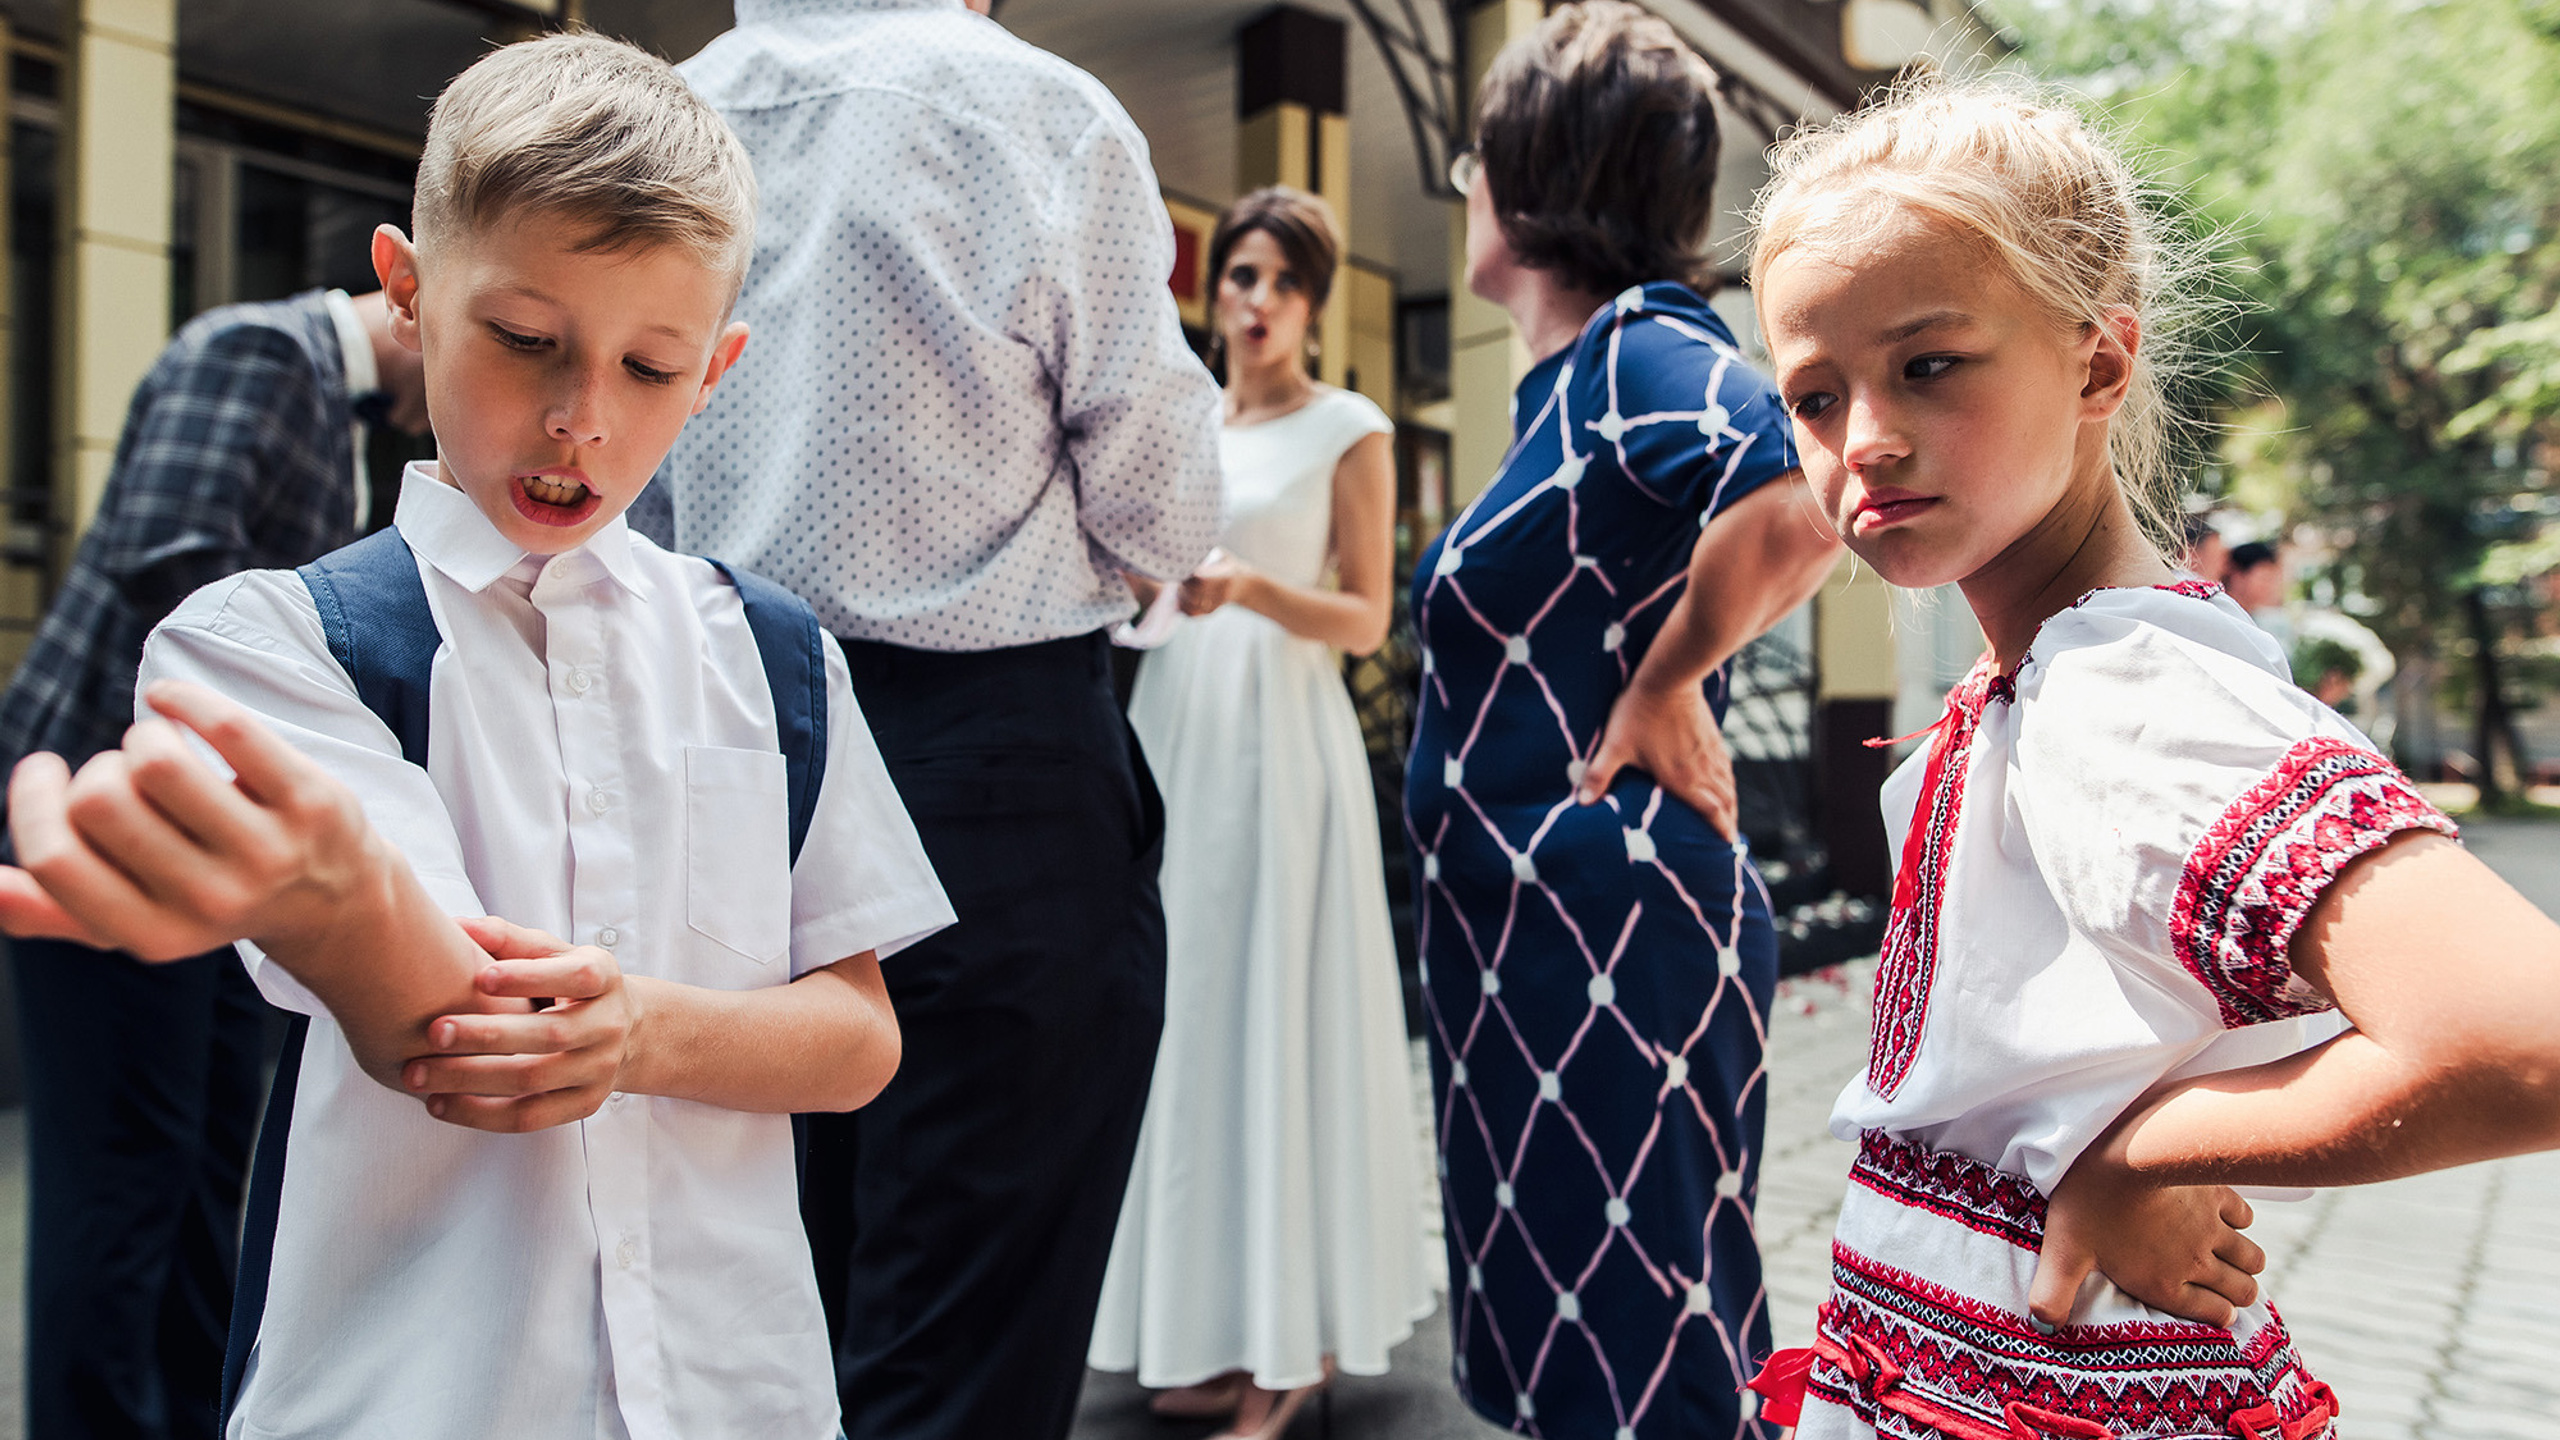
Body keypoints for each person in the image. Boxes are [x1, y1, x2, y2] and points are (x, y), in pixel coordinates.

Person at [0, 33, 951, 1440]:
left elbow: (858, 1033)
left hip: (740, 1394)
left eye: (651, 368)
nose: (582, 418)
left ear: (720, 368)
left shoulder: (778, 653)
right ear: (406, 290)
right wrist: (342, 894)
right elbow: (430, 1030)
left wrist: (639, 1030)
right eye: (526, 341)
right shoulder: (268, 642)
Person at [1739, 78, 2560, 1439]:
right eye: (1815, 396)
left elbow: (2521, 1036)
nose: (1863, 440)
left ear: (2099, 364)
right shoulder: (2052, 676)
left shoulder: (2122, 695)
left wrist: (2136, 1157)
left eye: (1928, 365)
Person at [659, 5, 1224, 1436]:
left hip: (730, 766)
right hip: (992, 773)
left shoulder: (660, 126)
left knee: (762, 1329)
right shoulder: (1032, 112)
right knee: (963, 1354)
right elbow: (1170, 503)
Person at [1402, 6, 1842, 1436]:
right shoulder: (1567, 390)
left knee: (1649, 1369)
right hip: (1533, 946)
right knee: (1574, 1361)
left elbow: (1799, 485)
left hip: (1612, 936)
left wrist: (1666, 680)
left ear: (1525, 179)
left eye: (1477, 158)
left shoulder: (1641, 347)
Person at [0, 280, 425, 1440]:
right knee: (125, 1179)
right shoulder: (259, 350)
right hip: (107, 830)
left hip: (219, 848)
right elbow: (168, 571)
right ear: (410, 304)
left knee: (196, 1176)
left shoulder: (334, 415)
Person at [1086, 188, 1433, 1440]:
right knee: (1192, 1017)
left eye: (1283, 281)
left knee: (1277, 1009)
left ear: (1312, 303)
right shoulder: (1186, 426)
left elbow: (1365, 618)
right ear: (1213, 292)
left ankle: (1298, 1351)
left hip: (1284, 739)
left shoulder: (1351, 425)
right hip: (1178, 719)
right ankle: (1225, 1334)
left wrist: (1250, 589)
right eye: (1239, 275)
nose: (1256, 300)